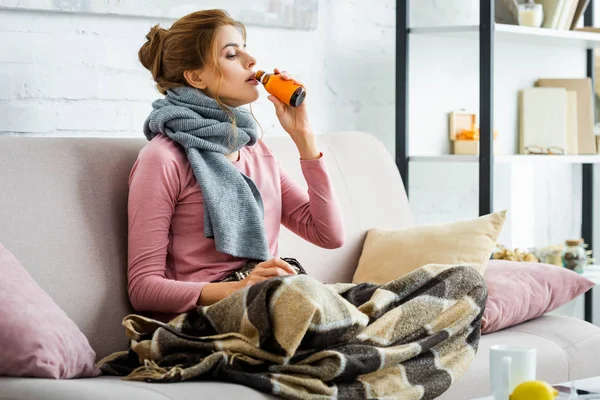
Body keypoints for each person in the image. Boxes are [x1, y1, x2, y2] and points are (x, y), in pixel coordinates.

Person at [127, 9, 345, 323]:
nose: (251, 60)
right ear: (196, 76)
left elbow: (329, 235)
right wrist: (241, 289)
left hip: (276, 303)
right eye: (232, 54)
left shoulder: (257, 152)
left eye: (245, 48)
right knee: (315, 306)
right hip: (206, 321)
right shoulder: (162, 158)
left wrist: (304, 136)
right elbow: (143, 288)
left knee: (438, 281)